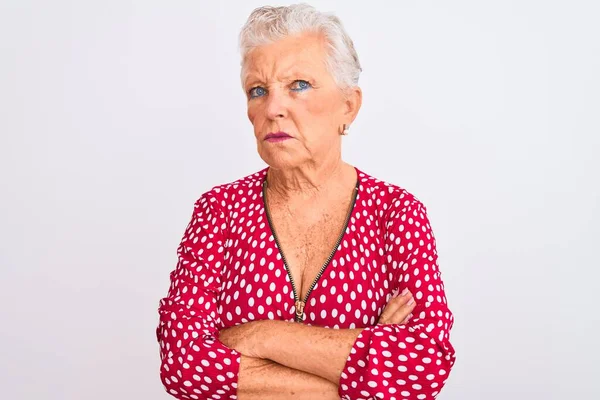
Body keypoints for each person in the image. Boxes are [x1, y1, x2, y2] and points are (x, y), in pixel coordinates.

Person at [156, 4, 456, 399]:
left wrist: (258, 336)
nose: (272, 108)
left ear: (348, 105)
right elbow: (183, 364)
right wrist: (360, 364)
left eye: (298, 84)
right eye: (257, 90)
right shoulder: (220, 210)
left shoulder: (397, 213)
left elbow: (423, 365)